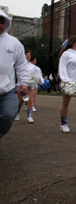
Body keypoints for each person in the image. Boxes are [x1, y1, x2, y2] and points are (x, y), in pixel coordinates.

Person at [0, 11, 29, 150]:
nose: (0, 25)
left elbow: (21, 65)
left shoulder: (14, 43)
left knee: (9, 114)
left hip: (7, 90)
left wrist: (23, 83)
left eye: (2, 22)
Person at [25, 54, 44, 123]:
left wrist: (42, 82)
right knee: (20, 101)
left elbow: (38, 75)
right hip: (22, 84)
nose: (28, 56)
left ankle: (29, 116)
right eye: (26, 54)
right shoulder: (20, 65)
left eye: (29, 55)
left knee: (30, 99)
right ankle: (17, 113)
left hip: (31, 85)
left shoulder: (34, 67)